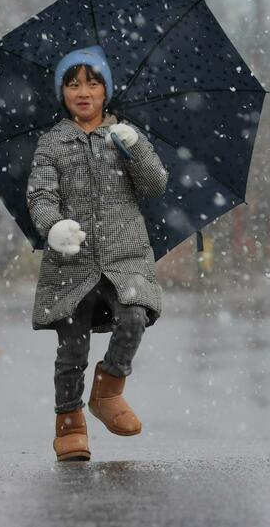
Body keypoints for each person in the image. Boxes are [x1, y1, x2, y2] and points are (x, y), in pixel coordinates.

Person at [26, 45, 167, 462]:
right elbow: (40, 195)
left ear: (106, 90)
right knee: (72, 348)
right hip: (73, 261)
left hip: (126, 259)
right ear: (62, 92)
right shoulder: (53, 142)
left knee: (134, 315)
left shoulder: (125, 135)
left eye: (92, 82)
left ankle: (109, 391)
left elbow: (155, 185)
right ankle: (69, 421)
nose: (83, 91)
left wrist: (135, 148)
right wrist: (53, 226)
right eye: (73, 84)